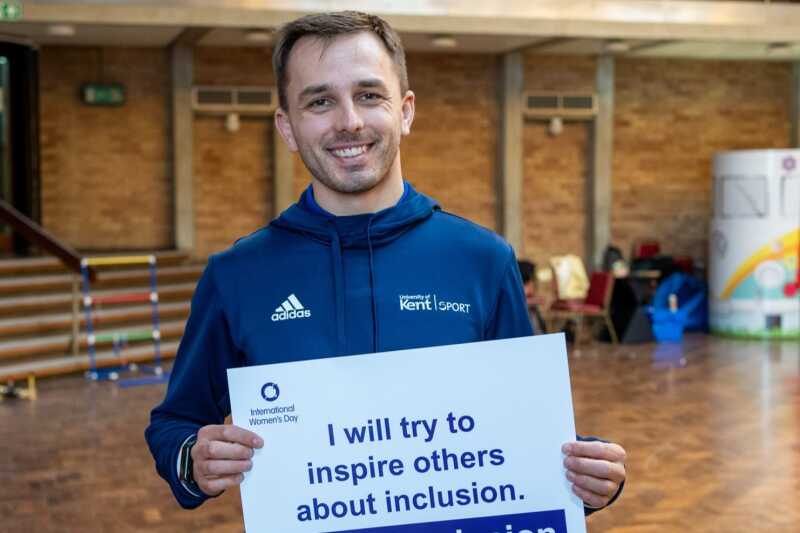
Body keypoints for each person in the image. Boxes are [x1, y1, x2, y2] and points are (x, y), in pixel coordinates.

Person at [145, 10, 625, 515]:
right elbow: (175, 421)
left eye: (369, 95)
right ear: (287, 127)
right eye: (320, 101)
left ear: (406, 110)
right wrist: (191, 460)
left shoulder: (482, 260)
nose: (348, 120)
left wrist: (585, 473)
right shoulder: (237, 275)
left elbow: (524, 429)